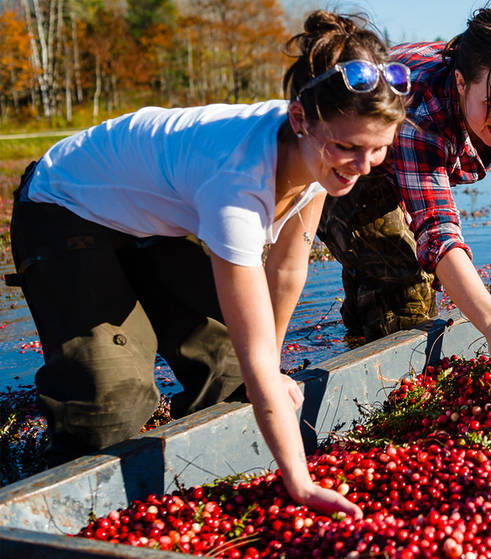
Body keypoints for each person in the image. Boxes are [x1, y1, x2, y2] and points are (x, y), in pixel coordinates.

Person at [8, 10, 408, 517]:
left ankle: (193, 489)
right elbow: (257, 347)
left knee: (227, 368)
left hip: (150, 222)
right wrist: (300, 480)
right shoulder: (237, 185)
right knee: (114, 397)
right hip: (64, 206)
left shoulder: (319, 150)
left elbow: (286, 270)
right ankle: (60, 510)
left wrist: (272, 368)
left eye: (379, 149)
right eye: (349, 148)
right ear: (299, 119)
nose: (362, 166)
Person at [317, 4, 491, 375]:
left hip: (401, 157)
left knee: (385, 273)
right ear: (461, 83)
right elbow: (438, 229)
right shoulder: (422, 112)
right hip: (345, 161)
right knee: (405, 286)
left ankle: (360, 325)